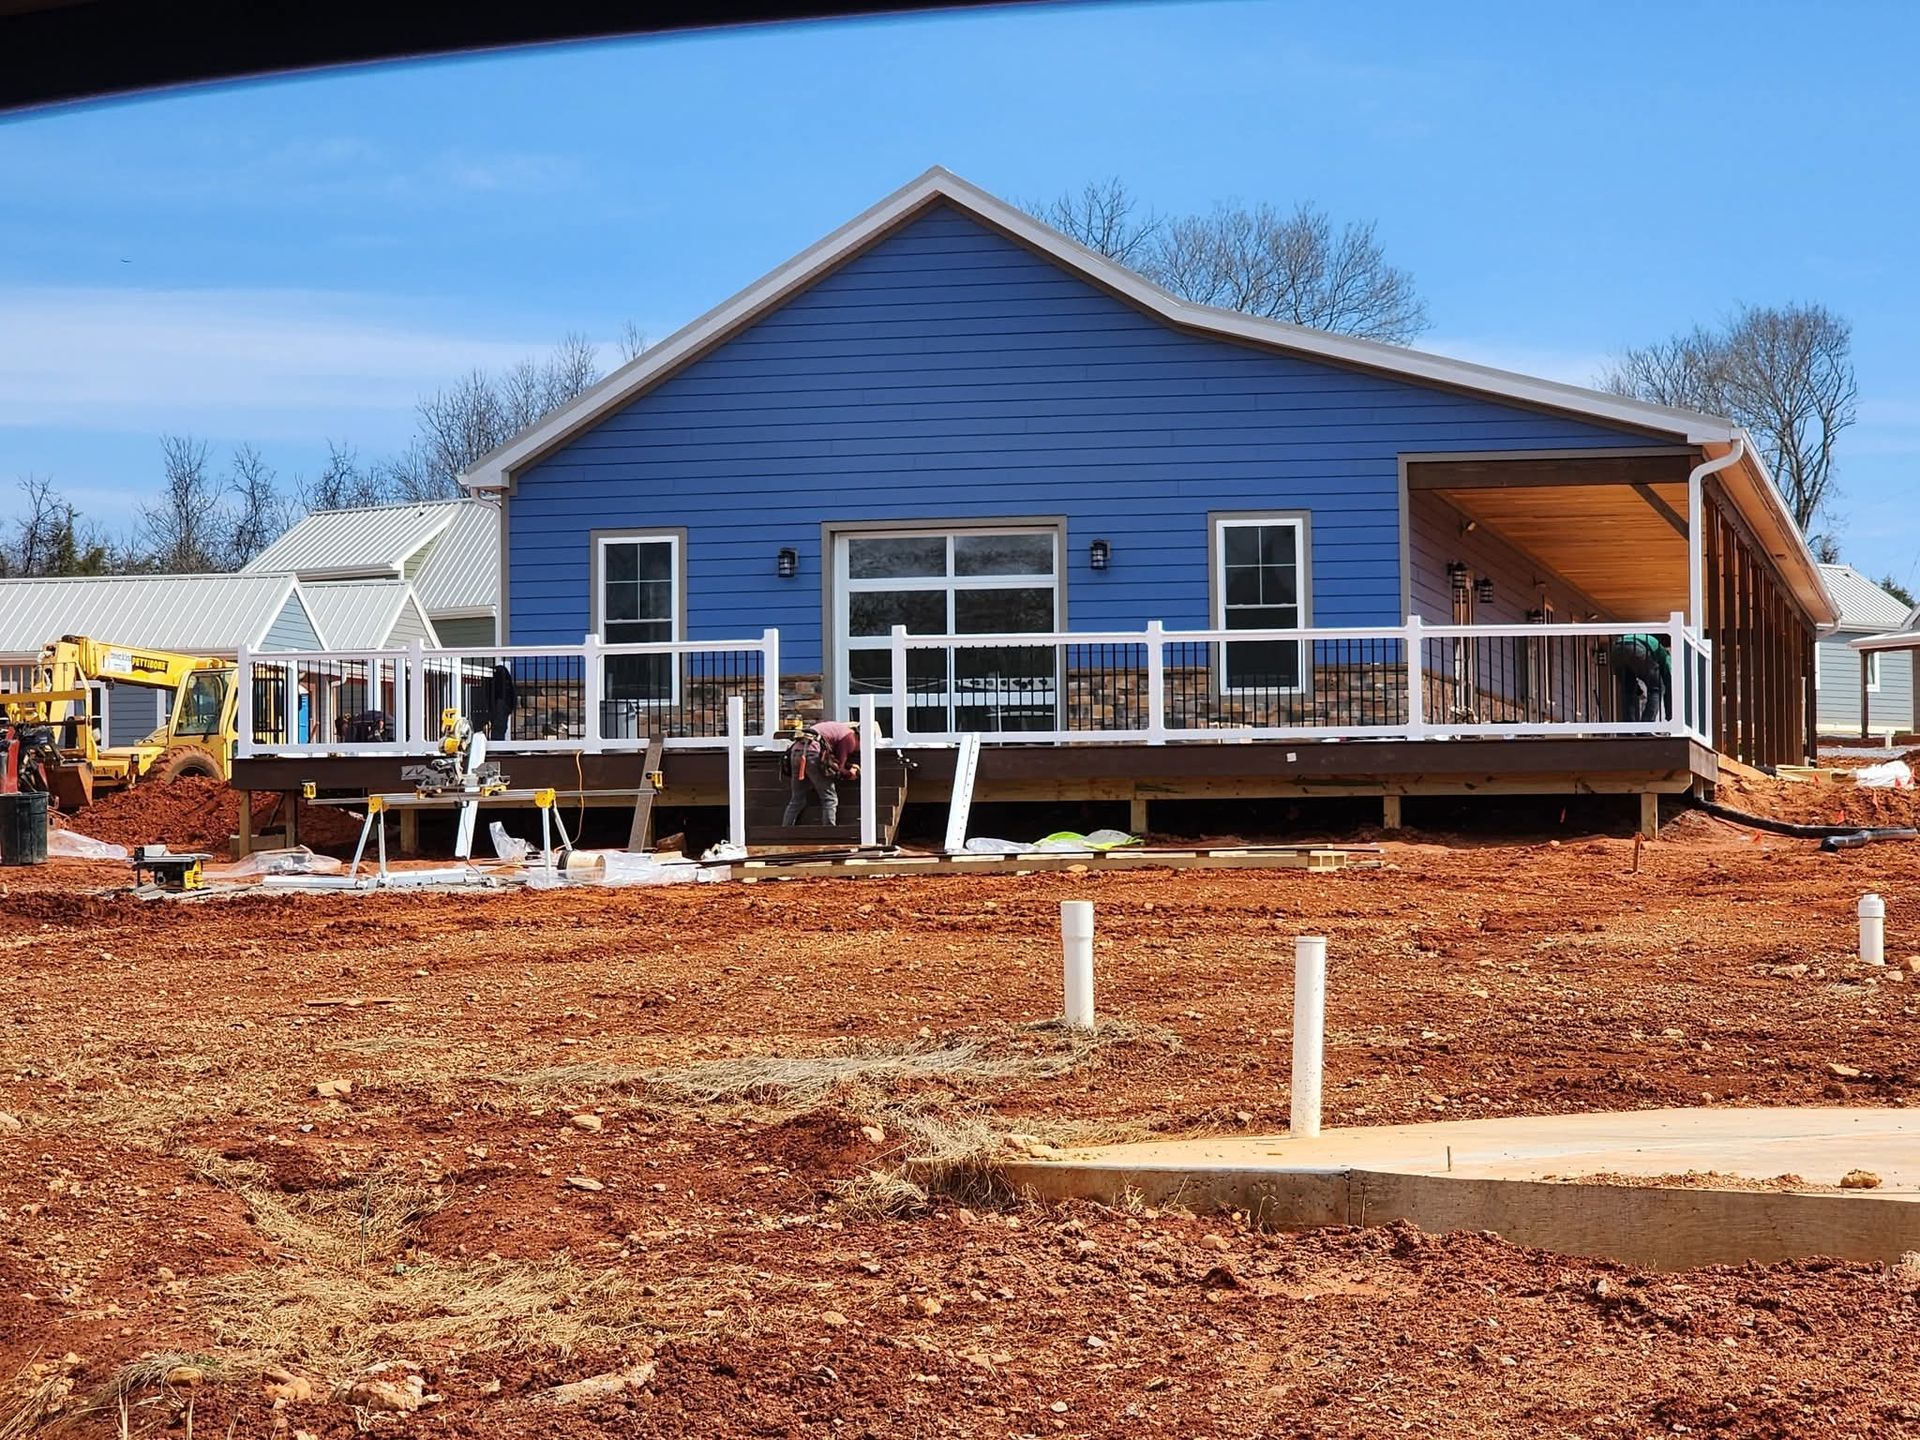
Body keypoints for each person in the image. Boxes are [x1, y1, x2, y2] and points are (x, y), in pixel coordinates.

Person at [781, 719, 861, 826]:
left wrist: (848, 766)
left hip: (796, 752)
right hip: (812, 754)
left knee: (797, 798)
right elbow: (837, 768)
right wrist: (850, 774)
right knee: (829, 798)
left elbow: (833, 760)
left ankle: (785, 831)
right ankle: (829, 832)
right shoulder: (850, 738)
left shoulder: (839, 730)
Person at [1610, 633, 1671, 722]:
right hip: (1636, 647)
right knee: (1657, 689)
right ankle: (1647, 725)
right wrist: (1670, 715)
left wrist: (1638, 690)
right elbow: (1668, 681)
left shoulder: (1650, 641)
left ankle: (1628, 729)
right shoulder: (1664, 653)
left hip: (1616, 649)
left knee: (1628, 690)